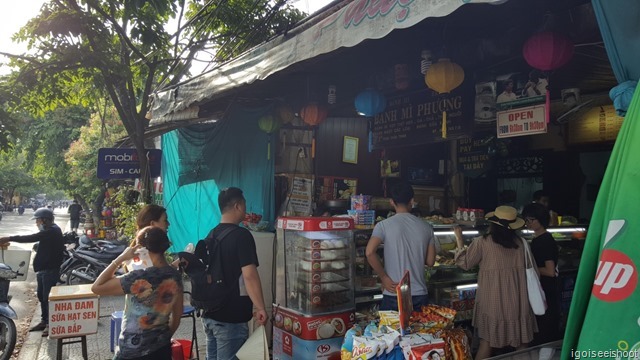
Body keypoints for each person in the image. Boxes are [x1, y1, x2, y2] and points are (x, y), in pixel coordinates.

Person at [453, 206, 536, 359]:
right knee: (522, 344)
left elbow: (465, 263)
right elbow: (533, 270)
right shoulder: (522, 243)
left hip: (493, 301)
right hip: (518, 300)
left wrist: (459, 238)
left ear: (493, 224)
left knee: (487, 343)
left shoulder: (482, 242)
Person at [194, 187, 268, 360]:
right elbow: (249, 275)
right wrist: (261, 307)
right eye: (244, 204)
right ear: (238, 206)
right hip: (231, 318)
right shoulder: (242, 235)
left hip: (210, 315)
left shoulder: (212, 234)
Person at [91, 226, 183, 360]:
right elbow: (177, 316)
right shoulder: (175, 276)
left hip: (133, 349)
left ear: (143, 248)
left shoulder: (137, 278)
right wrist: (164, 338)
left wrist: (120, 258)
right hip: (162, 348)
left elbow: (97, 287)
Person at [365, 182, 436, 311]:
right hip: (419, 293)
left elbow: (370, 252)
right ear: (412, 201)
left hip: (393, 291)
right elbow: (430, 262)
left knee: (391, 331)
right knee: (420, 330)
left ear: (392, 202)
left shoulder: (383, 226)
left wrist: (384, 277)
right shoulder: (427, 227)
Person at [0, 208, 65, 337]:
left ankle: (50, 324)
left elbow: (31, 237)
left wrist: (9, 238)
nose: (36, 223)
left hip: (49, 271)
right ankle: (44, 320)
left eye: (38, 220)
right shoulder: (49, 230)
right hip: (43, 270)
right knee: (42, 296)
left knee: (47, 298)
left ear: (44, 220)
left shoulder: (53, 231)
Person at [522, 203, 560, 345]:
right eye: (526, 220)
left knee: (545, 331)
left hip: (546, 290)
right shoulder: (539, 238)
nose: (528, 224)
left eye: (532, 220)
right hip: (543, 290)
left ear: (541, 220)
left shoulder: (544, 241)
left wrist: (530, 269)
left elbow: (550, 271)